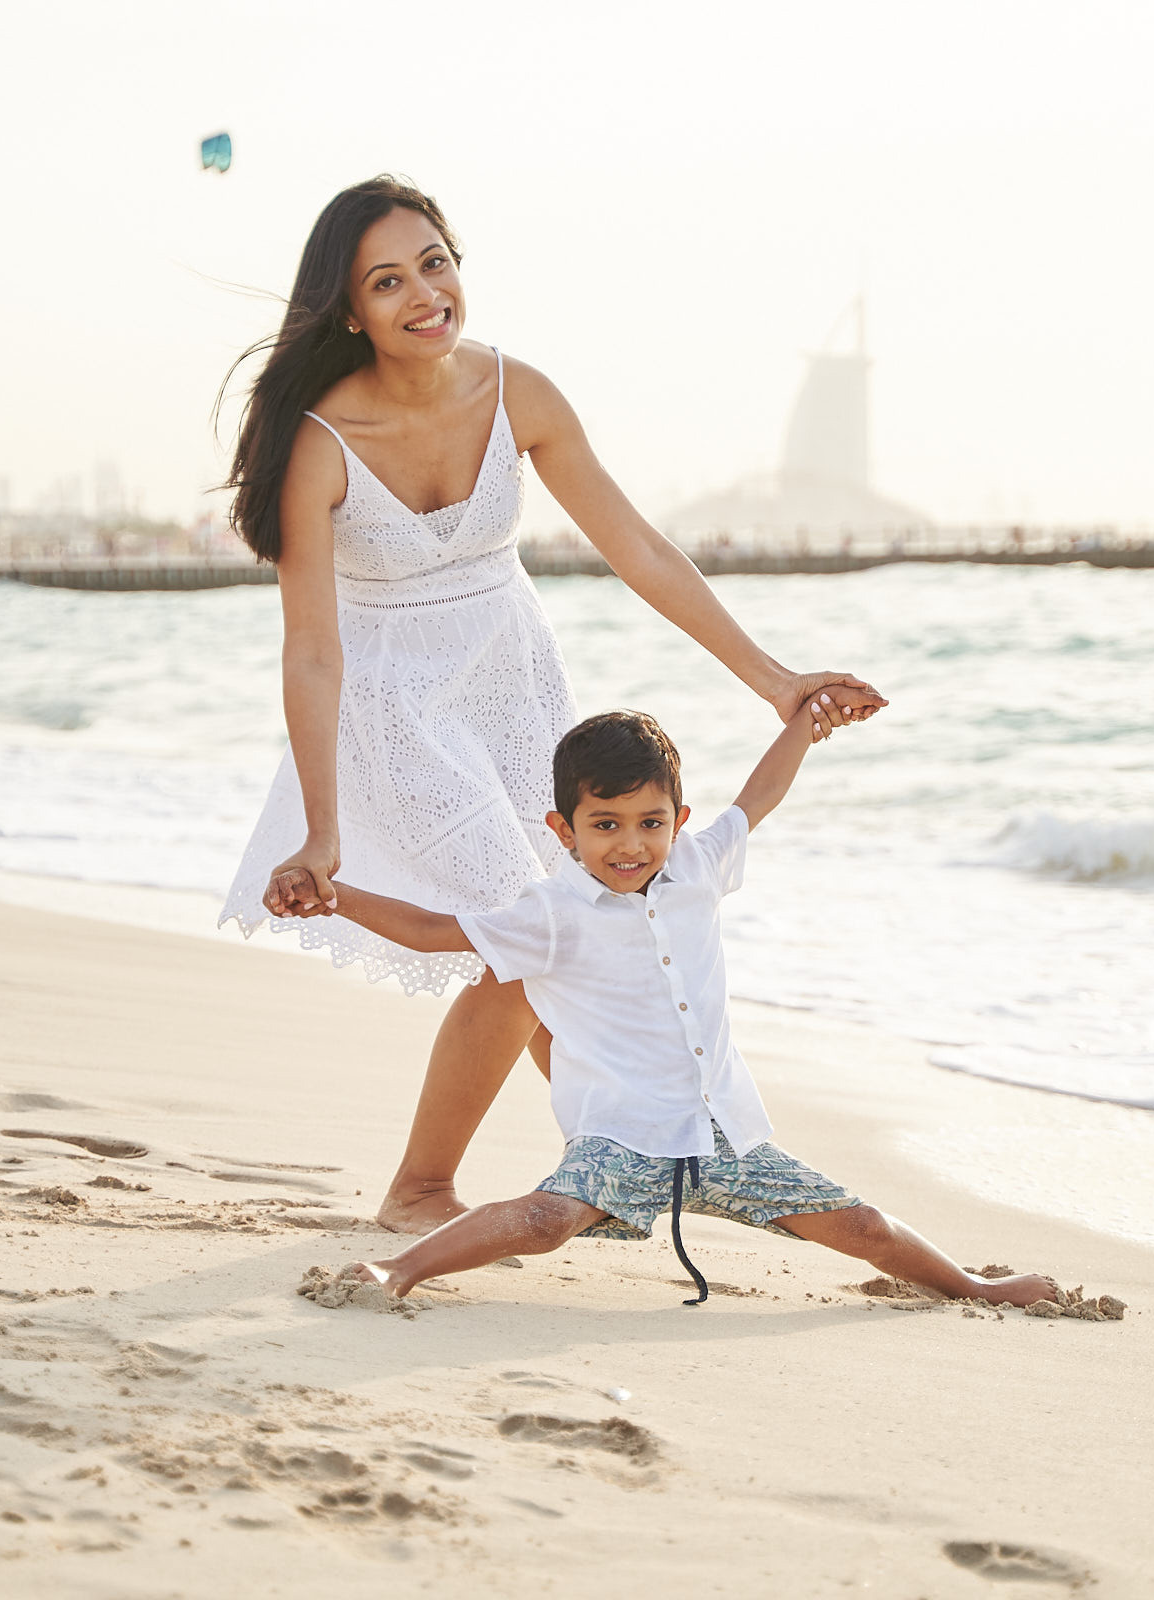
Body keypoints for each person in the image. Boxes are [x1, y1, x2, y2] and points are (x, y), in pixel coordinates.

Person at [217, 176, 887, 1234]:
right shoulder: (319, 440)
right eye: (388, 281)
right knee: (517, 937)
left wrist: (773, 679)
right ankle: (422, 1187)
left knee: (572, 920)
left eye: (435, 262)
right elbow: (309, 650)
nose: (423, 294)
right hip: (393, 705)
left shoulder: (516, 391)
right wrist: (322, 825)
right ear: (351, 310)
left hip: (515, 677)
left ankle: (618, 1153)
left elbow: (640, 549)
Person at [290, 707, 1067, 1310]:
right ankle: (399, 1268)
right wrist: (336, 897)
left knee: (861, 1227)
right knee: (541, 1223)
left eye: (650, 823)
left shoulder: (700, 866)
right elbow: (431, 932)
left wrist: (808, 718)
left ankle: (972, 1287)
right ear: (563, 831)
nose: (630, 845)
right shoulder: (551, 913)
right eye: (605, 826)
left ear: (679, 821)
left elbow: (759, 795)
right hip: (622, 1143)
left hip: (727, 1141)